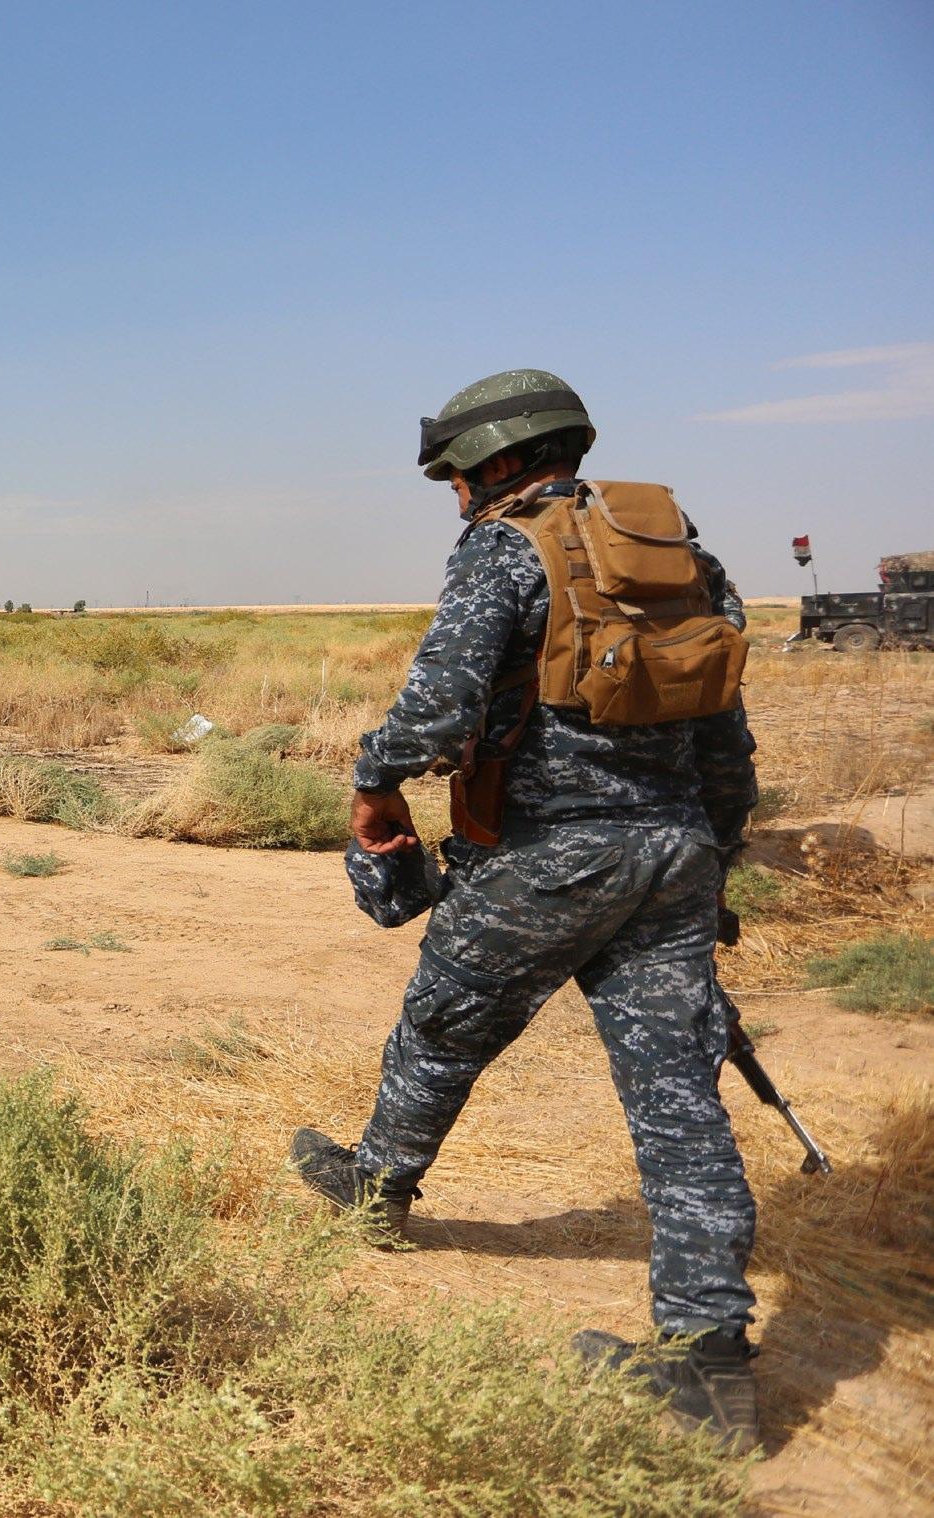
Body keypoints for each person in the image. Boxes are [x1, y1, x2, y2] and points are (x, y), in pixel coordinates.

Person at [292, 369, 765, 1452]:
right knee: (677, 1098)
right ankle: (706, 1362)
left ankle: (376, 1189)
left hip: (546, 860)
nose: (456, 497)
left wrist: (374, 786)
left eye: (457, 476)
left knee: (444, 1026)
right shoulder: (685, 557)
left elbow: (440, 700)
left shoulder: (510, 547)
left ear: (499, 460)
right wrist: (713, 865)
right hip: (673, 854)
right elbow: (724, 737)